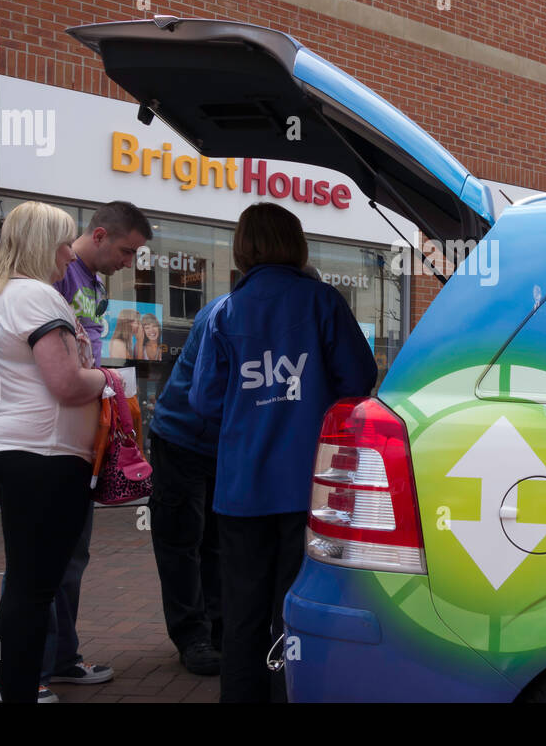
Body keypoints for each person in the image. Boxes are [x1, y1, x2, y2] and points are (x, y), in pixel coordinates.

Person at [190, 202, 378, 703]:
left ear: (242, 248)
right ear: (296, 245)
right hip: (307, 485)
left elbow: (203, 400)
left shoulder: (224, 314)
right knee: (295, 605)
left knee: (242, 611)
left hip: (241, 490)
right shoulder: (322, 302)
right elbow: (359, 378)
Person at [0, 201, 108, 704]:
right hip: (46, 455)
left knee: (25, 583)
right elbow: (68, 384)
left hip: (21, 451)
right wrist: (112, 379)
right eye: (59, 243)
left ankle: (15, 686)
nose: (66, 256)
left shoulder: (0, 297)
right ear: (38, 245)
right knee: (34, 589)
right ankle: (18, 690)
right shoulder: (39, 298)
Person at [49, 200, 153, 690]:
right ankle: (38, 663)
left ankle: (62, 657)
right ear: (99, 235)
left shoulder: (91, 284)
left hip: (86, 435)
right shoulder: (59, 278)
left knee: (73, 555)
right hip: (55, 437)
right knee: (43, 559)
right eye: (127, 251)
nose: (128, 263)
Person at [146, 298, 227, 676]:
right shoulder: (225, 314)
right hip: (181, 437)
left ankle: (220, 629)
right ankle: (193, 636)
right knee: (181, 539)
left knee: (217, 539)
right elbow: (205, 393)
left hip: (221, 445)